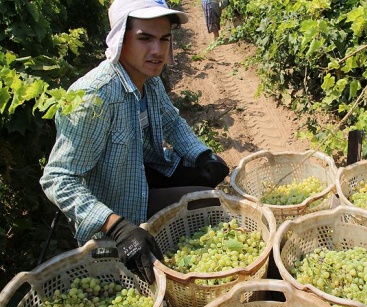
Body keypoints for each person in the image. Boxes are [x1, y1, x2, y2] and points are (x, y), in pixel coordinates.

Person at [40, 0, 229, 284]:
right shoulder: (94, 98)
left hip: (139, 183)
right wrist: (117, 227)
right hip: (113, 212)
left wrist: (203, 155)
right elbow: (58, 179)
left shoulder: (149, 81)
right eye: (145, 38)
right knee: (143, 275)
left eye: (164, 39)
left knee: (208, 199)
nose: (157, 50)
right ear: (120, 38)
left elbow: (171, 121)